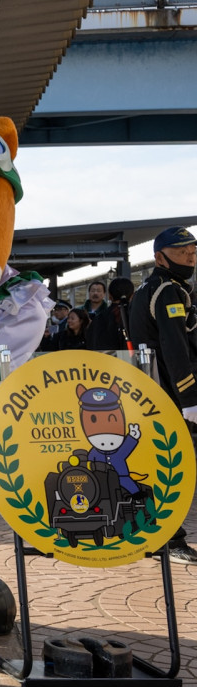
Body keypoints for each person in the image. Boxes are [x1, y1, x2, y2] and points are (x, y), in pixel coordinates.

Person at [129, 225, 197, 564]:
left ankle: (158, 534)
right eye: (182, 252)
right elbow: (175, 348)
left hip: (151, 392)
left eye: (193, 252)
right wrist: (190, 399)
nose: (190, 257)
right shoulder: (167, 291)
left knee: (159, 465)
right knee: (173, 467)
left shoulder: (149, 288)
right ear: (160, 257)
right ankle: (171, 539)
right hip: (170, 393)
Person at [86, 277, 134, 351]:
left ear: (109, 296)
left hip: (105, 357)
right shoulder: (137, 316)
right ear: (132, 295)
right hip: (132, 357)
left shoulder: (99, 319)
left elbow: (92, 344)